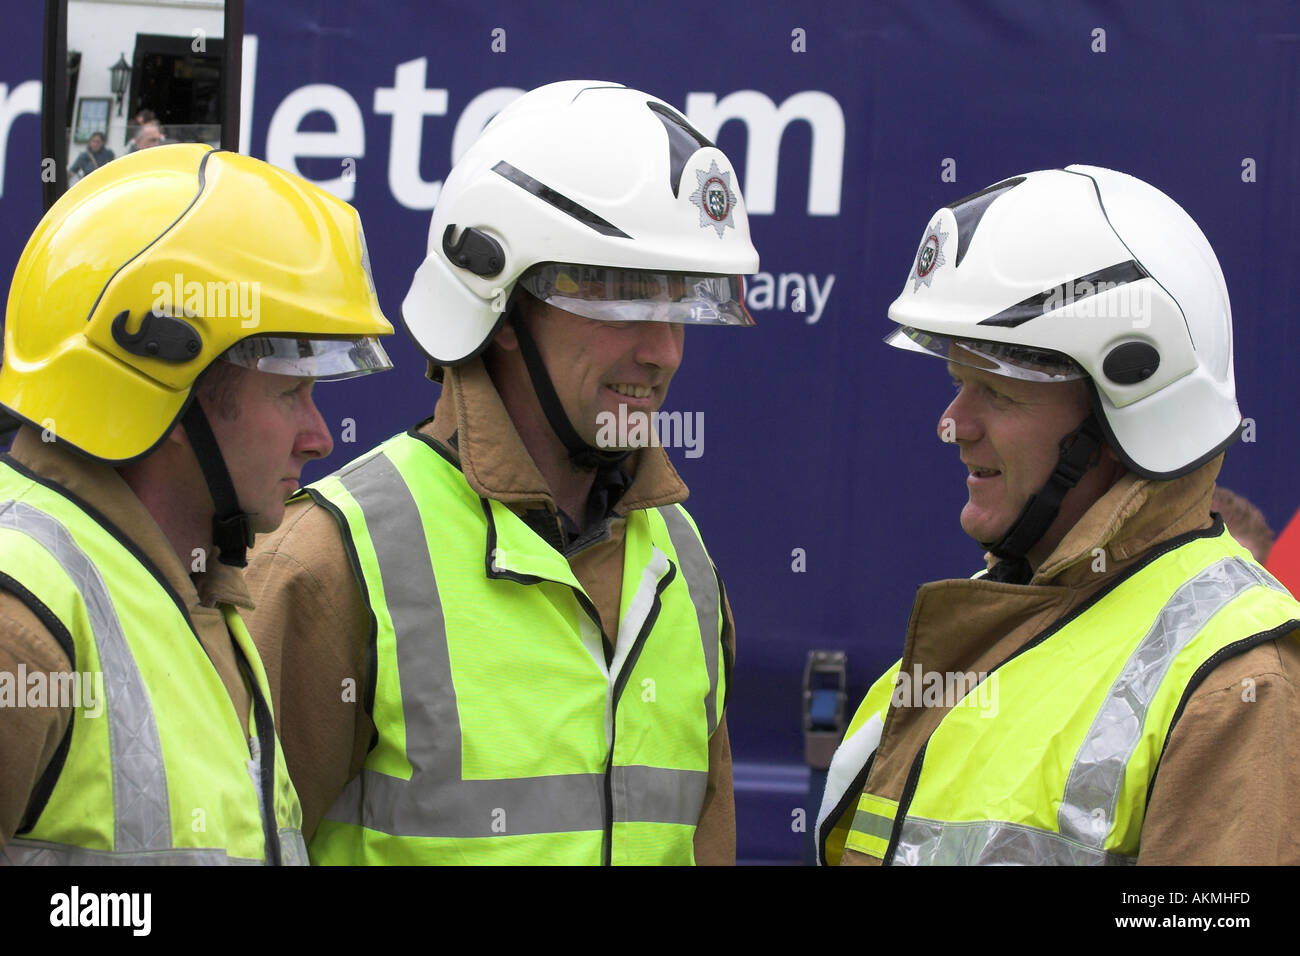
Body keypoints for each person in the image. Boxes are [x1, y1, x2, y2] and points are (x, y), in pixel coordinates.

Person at [243, 80, 757, 865]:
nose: (663, 351)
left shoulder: (684, 565)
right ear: (501, 300)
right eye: (621, 295)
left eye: (680, 300)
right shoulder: (332, 564)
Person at [817, 165, 1300, 866]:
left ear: (1127, 408)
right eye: (958, 385)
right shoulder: (978, 631)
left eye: (997, 394)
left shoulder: (1237, 684)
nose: (955, 425)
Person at [0, 144, 394, 864]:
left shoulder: (194, 593)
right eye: (290, 391)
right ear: (161, 381)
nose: (318, 436)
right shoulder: (21, 618)